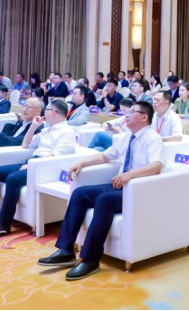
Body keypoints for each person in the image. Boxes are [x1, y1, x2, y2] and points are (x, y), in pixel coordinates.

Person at [37, 100, 164, 280]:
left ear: (144, 117)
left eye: (132, 112)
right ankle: (66, 250)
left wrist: (130, 175)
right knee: (80, 193)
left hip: (138, 190)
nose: (127, 115)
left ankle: (90, 259)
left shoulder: (153, 138)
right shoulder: (127, 137)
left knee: (104, 200)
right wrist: (82, 162)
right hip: (120, 186)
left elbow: (156, 166)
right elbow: (105, 156)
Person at [0, 99, 77, 239]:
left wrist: (32, 164)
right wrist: (33, 126)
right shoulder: (46, 130)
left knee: (13, 179)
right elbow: (25, 145)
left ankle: (3, 225)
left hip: (44, 168)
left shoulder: (67, 131)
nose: (44, 113)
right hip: (32, 162)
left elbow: (58, 155)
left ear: (53, 112)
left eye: (46, 110)